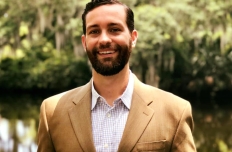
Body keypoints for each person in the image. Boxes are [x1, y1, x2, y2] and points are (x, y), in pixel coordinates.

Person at [37, 0, 196, 151]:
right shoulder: (52, 112)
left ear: (133, 38)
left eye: (114, 29)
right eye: (94, 31)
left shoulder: (175, 111)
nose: (104, 39)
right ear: (84, 42)